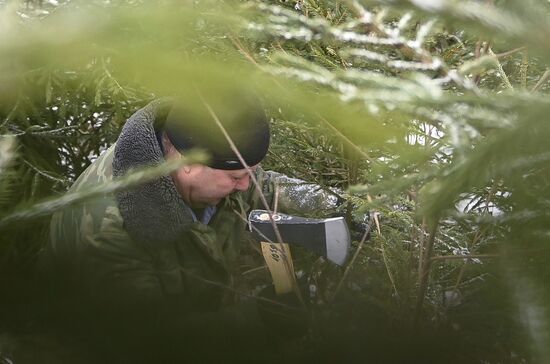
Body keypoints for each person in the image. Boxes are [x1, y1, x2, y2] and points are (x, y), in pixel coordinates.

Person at [45, 92, 340, 361]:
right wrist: (259, 319)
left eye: (251, 172)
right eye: (237, 177)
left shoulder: (200, 152)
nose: (247, 185)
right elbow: (146, 341)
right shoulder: (107, 228)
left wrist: (340, 207)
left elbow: (261, 186)